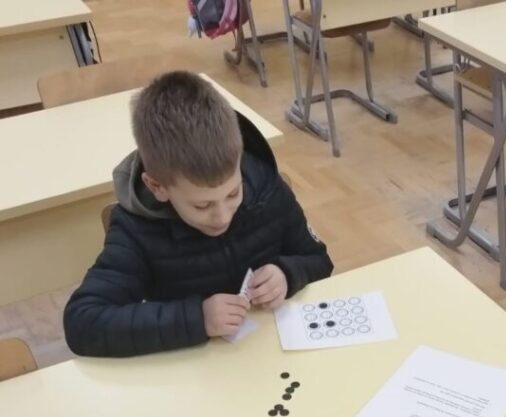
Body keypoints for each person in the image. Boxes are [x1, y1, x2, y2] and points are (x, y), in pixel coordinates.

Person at [64, 71, 332, 357]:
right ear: (157, 187)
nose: (223, 217)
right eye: (202, 206)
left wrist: (287, 274)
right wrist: (197, 318)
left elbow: (318, 260)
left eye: (233, 194)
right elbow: (83, 323)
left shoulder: (265, 184)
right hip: (195, 367)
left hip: (269, 354)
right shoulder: (136, 230)